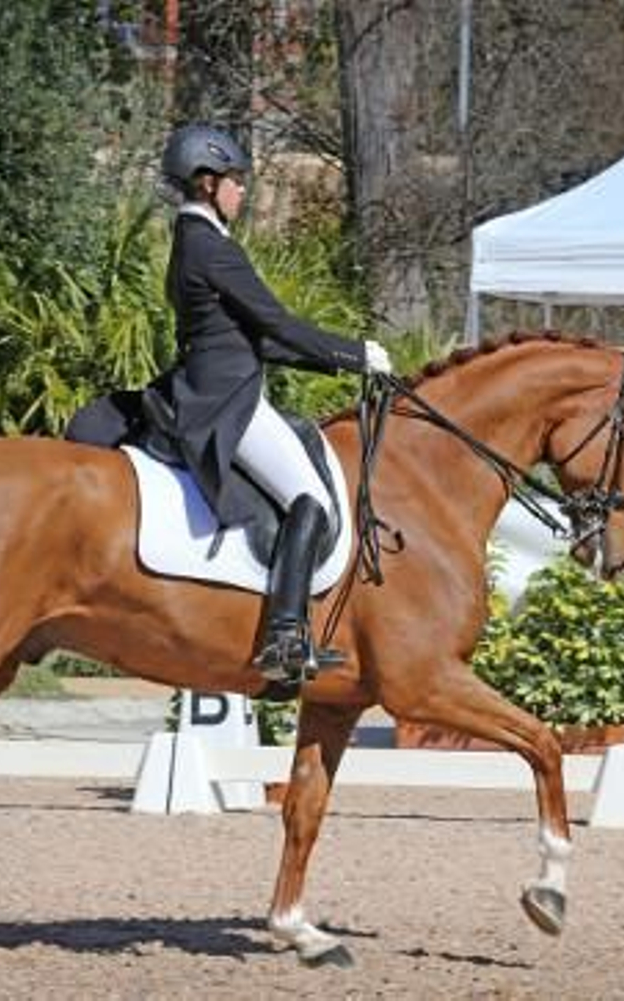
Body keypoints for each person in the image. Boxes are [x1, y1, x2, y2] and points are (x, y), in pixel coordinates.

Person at [154, 123, 392, 684]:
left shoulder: (193, 241)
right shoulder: (212, 247)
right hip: (225, 402)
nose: (243, 191)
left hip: (216, 384)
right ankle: (285, 635)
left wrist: (334, 364)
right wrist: (358, 353)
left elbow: (256, 340)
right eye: (235, 181)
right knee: (311, 498)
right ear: (207, 183)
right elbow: (277, 322)